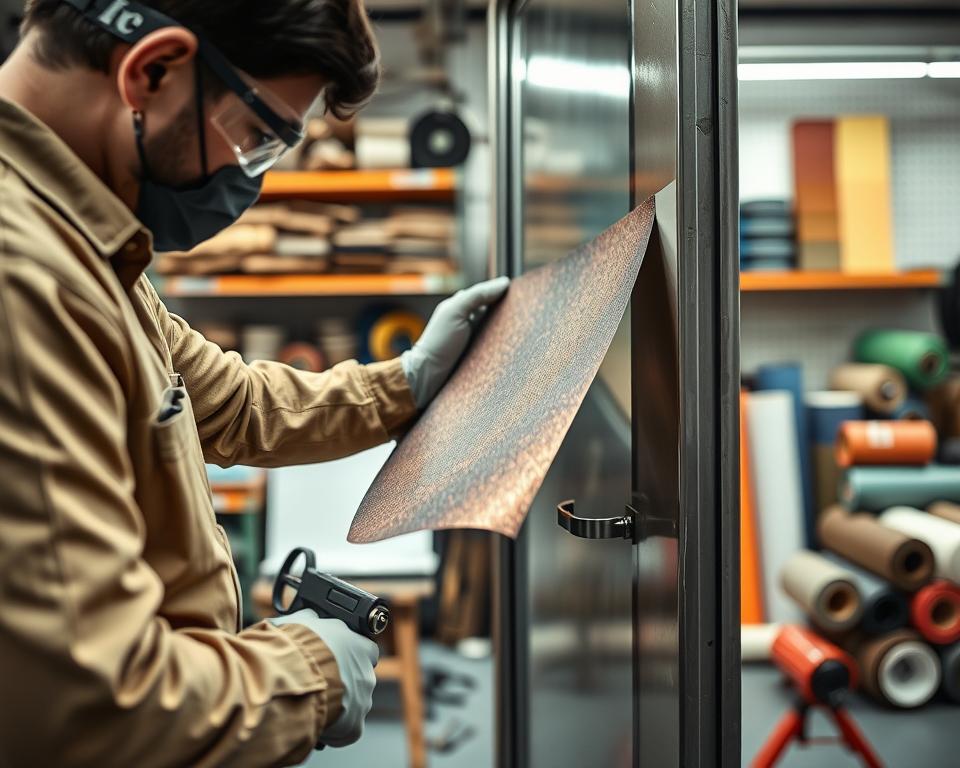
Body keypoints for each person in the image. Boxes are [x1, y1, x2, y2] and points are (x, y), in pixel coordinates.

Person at [0, 1, 508, 765]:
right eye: (256, 136)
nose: (250, 178)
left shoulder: (84, 247)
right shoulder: (24, 280)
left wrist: (407, 382)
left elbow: (233, 404)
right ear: (152, 72)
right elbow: (96, 708)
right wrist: (310, 671)